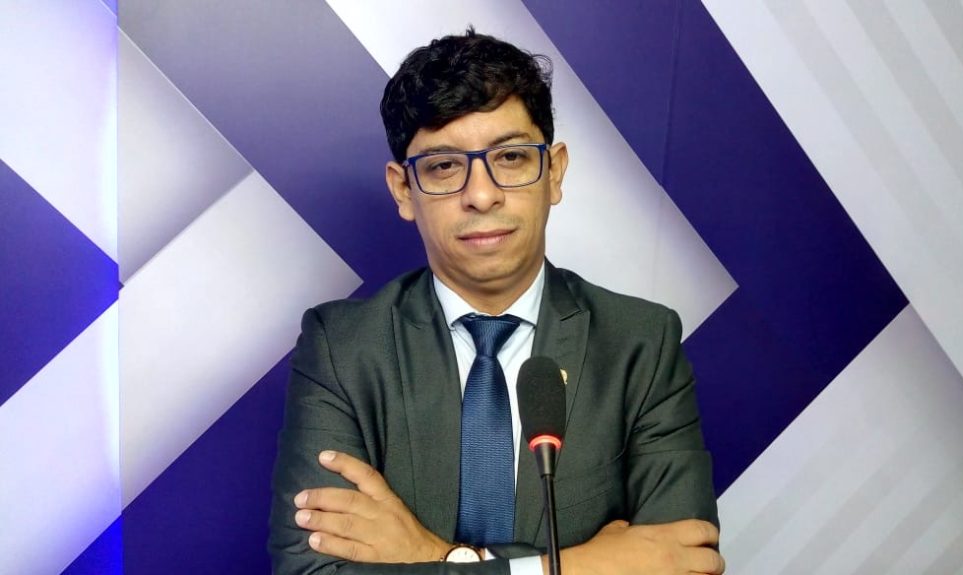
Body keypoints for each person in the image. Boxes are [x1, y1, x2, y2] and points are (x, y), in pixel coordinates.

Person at [269, 29, 724, 575]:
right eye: (443, 166)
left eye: (510, 157)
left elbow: (685, 562)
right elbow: (312, 572)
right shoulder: (342, 347)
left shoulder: (641, 343)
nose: (481, 195)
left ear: (553, 171)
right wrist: (576, 565)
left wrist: (435, 557)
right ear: (403, 190)